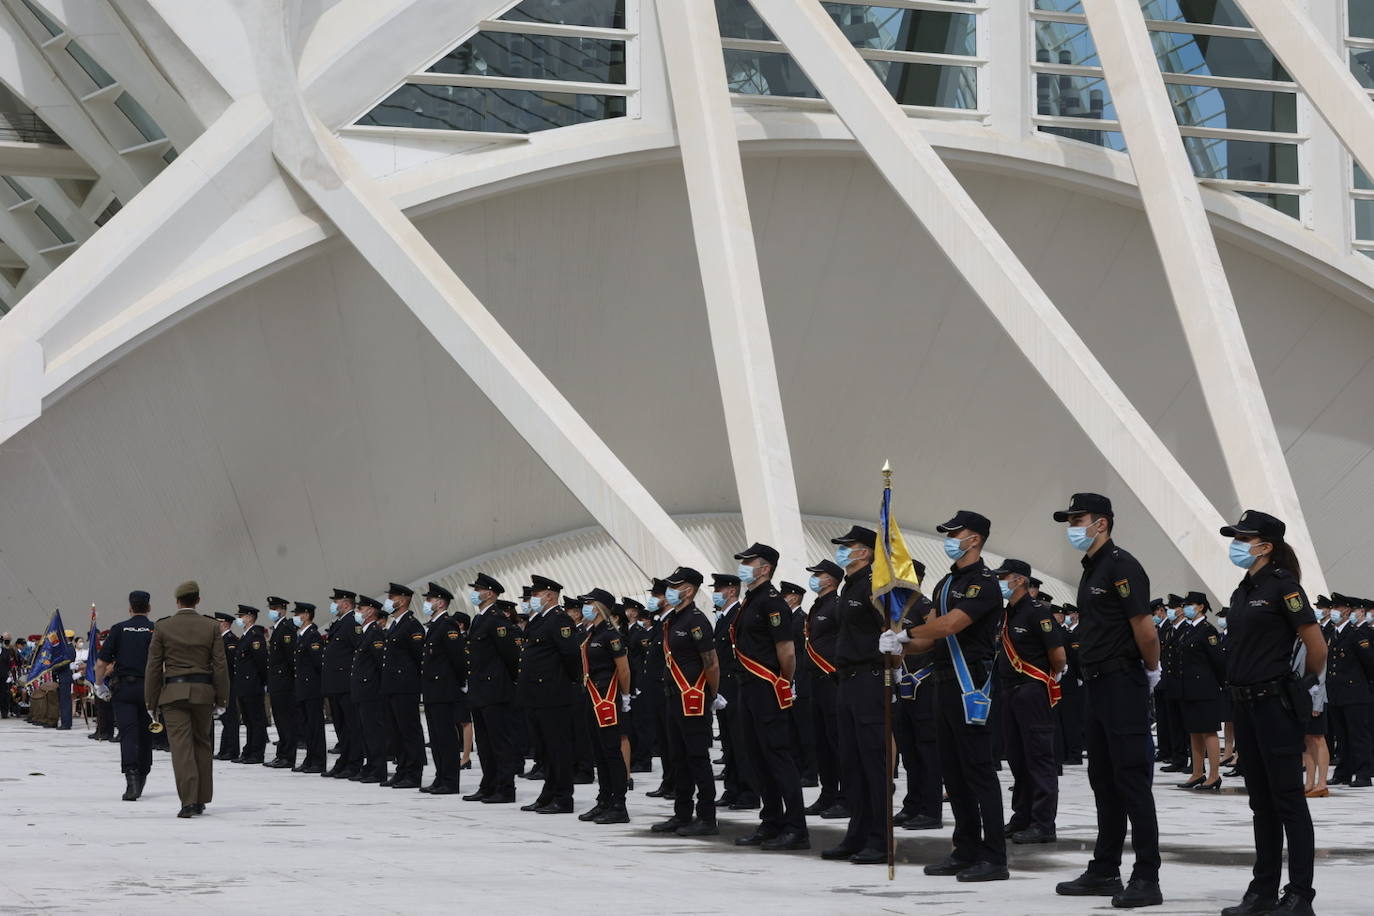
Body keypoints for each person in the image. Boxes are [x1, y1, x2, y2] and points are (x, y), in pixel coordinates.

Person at [1051, 493, 1162, 908]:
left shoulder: (1122, 566)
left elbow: (1144, 628)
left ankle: (1147, 876)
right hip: (1095, 685)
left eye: (1078, 519)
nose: (1072, 526)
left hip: (1121, 682)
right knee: (1103, 780)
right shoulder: (1092, 568)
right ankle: (1104, 868)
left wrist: (1151, 670)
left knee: (1132, 780)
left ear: (1102, 523)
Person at [884, 510, 1007, 883]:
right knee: (952, 771)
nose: (950, 538)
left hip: (972, 684)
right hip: (943, 682)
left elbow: (953, 624)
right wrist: (898, 645)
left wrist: (907, 635)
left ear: (976, 539)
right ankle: (965, 848)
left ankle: (994, 856)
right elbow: (929, 634)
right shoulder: (946, 581)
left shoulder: (983, 583)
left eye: (957, 532)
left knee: (979, 771)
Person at [1217, 511, 1327, 916]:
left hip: (1273, 704)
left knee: (1288, 801)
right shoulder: (1243, 591)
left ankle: (1299, 894)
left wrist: (1306, 685)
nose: (1237, 545)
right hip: (1244, 705)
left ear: (1266, 546)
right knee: (1260, 802)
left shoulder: (1284, 587)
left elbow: (1316, 645)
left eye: (1244, 539)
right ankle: (1262, 890)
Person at [731, 542, 808, 851]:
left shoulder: (772, 602)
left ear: (765, 568)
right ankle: (771, 820)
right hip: (748, 687)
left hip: (767, 687)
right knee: (757, 757)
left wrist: (783, 683)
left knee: (778, 757)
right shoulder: (752, 600)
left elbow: (786, 651)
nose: (744, 566)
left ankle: (796, 827)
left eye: (749, 562)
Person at [991, 559, 1065, 845]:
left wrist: (1039, 681)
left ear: (1019, 580)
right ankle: (1022, 816)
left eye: (1004, 577)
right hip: (1009, 691)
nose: (1000, 582)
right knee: (1017, 757)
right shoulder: (1005, 615)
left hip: (1032, 690)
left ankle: (1043, 822)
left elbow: (1058, 658)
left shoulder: (1038, 614)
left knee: (1038, 758)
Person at [144, 581, 229, 818]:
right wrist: (222, 699)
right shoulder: (211, 626)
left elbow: (153, 667)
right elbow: (220, 667)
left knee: (181, 747)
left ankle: (188, 800)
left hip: (173, 693)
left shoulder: (163, 627)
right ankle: (201, 798)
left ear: (177, 601)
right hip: (203, 693)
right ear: (198, 600)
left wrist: (151, 701)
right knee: (202, 743)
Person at [649, 566, 721, 837]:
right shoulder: (673, 620)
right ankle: (682, 813)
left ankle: (706, 817)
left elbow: (711, 663)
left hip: (693, 697)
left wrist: (711, 695)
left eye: (674, 586)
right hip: (673, 697)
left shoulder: (696, 620)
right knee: (677, 758)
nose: (669, 591)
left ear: (688, 590)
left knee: (697, 757)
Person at [518, 575, 582, 814]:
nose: (532, 599)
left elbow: (571, 656)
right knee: (545, 749)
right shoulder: (539, 621)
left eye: (536, 594)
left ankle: (563, 797)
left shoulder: (559, 620)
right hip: (536, 695)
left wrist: (565, 683)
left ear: (549, 596)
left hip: (554, 694)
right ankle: (548, 793)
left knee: (559, 748)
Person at [575, 588, 633, 823]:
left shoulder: (611, 634)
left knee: (611, 751)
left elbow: (624, 669)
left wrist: (626, 696)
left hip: (607, 698)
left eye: (589, 603)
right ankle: (604, 799)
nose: (584, 608)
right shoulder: (593, 633)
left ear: (599, 607)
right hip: (592, 696)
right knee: (598, 751)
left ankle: (619, 804)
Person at [464, 573, 521, 803]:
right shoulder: (480, 619)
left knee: (499, 741)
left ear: (490, 593)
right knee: (485, 742)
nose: (474, 593)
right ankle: (488, 784)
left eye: (478, 589)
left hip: (495, 690)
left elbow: (511, 655)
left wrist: (503, 682)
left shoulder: (497, 619)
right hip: (480, 690)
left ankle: (505, 787)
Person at [95, 591, 156, 800]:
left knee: (128, 734)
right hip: (149, 689)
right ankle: (142, 776)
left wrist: (99, 685)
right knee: (147, 734)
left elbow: (101, 663)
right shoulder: (155, 629)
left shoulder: (119, 629)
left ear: (130, 608)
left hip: (125, 689)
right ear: (148, 608)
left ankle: (131, 782)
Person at [802, 558, 845, 819]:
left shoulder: (837, 606)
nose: (814, 578)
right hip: (815, 681)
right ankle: (827, 793)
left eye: (818, 574)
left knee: (837, 741)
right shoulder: (818, 606)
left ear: (830, 579)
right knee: (821, 743)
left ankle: (845, 796)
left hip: (831, 680)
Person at [710, 572, 755, 810]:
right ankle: (732, 787)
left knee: (741, 741)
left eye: (719, 589)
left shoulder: (738, 615)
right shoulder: (722, 618)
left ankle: (748, 791)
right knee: (727, 741)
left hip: (736, 685)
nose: (715, 593)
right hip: (724, 687)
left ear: (731, 591)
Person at [420, 582, 468, 795]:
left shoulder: (447, 625)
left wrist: (458, 683)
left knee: (446, 738)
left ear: (440, 603)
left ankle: (449, 780)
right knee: (437, 737)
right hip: (432, 690)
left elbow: (457, 658)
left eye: (429, 600)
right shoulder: (434, 626)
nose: (426, 603)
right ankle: (440, 777)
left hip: (444, 689)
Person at [1176, 592, 1226, 791]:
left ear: (1201, 607)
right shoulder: (1189, 630)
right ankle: (1197, 772)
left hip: (1205, 688)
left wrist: (1219, 684)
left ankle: (1214, 775)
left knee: (1208, 731)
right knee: (1194, 731)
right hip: (1189, 688)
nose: (1187, 608)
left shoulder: (1208, 630)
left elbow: (1218, 661)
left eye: (1190, 604)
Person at [381, 583, 426, 789]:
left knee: (409, 731)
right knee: (396, 731)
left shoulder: (412, 625)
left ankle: (413, 773)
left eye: (393, 596)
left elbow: (418, 658)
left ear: (403, 599)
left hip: (406, 686)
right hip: (392, 686)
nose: (389, 600)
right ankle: (402, 769)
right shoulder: (395, 624)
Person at [1326, 592, 1374, 788]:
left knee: (1358, 736)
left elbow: (1370, 663)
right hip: (1338, 693)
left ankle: (1363, 773)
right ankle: (1343, 772)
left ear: (1347, 610)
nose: (1333, 611)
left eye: (1336, 608)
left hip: (1355, 693)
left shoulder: (1357, 634)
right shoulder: (1334, 634)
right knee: (1342, 735)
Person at [322, 589, 362, 779]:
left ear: (345, 604)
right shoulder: (340, 623)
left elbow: (358, 651)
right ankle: (344, 760)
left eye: (336, 602)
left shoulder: (353, 622)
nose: (334, 605)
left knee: (351, 726)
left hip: (346, 684)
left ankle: (353, 763)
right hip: (335, 685)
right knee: (341, 726)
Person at [781, 580, 817, 787]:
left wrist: (796, 680)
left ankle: (810, 772)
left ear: (794, 598)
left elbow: (800, 654)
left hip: (800, 681)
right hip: (791, 681)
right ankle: (797, 766)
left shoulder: (799, 620)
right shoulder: (790, 620)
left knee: (804, 729)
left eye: (784, 596)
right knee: (792, 728)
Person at [350, 596, 389, 783]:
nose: (358, 611)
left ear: (371, 611)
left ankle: (378, 768)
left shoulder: (375, 633)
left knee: (374, 731)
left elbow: (381, 663)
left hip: (371, 690)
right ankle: (370, 765)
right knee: (366, 731)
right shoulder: (365, 633)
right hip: (362, 690)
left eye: (361, 608)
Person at [263, 596, 297, 769]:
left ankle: (288, 756)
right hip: (277, 682)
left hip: (284, 683)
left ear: (283, 610)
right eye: (271, 607)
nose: (272, 611)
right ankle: (282, 753)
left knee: (286, 720)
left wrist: (291, 682)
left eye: (275, 608)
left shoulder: (286, 629)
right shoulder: (277, 629)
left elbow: (291, 659)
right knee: (280, 720)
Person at [232, 605, 268, 764]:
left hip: (253, 685)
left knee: (256, 720)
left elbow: (261, 662)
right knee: (248, 720)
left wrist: (262, 682)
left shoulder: (255, 636)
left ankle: (257, 752)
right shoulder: (245, 636)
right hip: (244, 685)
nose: (240, 619)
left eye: (242, 616)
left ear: (250, 617)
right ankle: (249, 750)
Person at [292, 603, 326, 773]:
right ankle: (310, 758)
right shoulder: (302, 636)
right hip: (303, 688)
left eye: (298, 614)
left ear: (306, 615)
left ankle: (318, 761)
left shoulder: (313, 636)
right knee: (307, 726)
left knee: (315, 726)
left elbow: (318, 663)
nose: (296, 617)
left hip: (312, 688)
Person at [213, 613, 241, 761]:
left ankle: (232, 750)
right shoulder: (221, 640)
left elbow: (230, 666)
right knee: (225, 718)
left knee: (230, 718)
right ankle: (225, 749)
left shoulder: (230, 641)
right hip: (222, 685)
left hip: (229, 685)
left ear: (225, 624)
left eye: (218, 622)